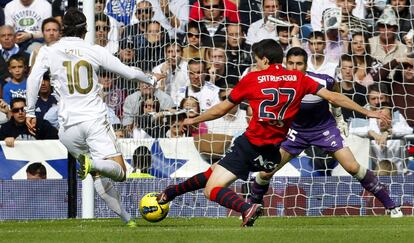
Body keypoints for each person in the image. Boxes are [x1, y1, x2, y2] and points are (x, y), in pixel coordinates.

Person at [156, 39, 391, 227]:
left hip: (251, 143)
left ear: (265, 59)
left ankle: (246, 207)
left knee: (212, 190)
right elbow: (334, 97)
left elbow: (221, 109)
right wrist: (366, 112)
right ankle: (171, 193)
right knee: (214, 172)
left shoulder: (252, 79)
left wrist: (194, 119)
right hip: (273, 151)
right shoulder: (299, 78)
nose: (256, 64)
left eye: (257, 60)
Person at [25, 8, 157, 227]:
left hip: (67, 128)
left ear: (61, 29)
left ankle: (128, 221)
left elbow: (33, 80)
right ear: (86, 29)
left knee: (97, 175)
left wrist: (30, 111)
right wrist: (151, 79)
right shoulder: (94, 49)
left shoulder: (48, 51)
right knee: (120, 173)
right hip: (94, 121)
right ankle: (93, 162)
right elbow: (130, 73)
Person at [247, 47, 403, 218]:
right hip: (295, 132)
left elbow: (335, 93)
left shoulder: (322, 81)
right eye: (290, 63)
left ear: (306, 66)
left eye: (299, 64)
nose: (294, 67)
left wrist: (339, 118)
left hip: (323, 129)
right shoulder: (277, 83)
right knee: (266, 172)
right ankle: (253, 205)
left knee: (352, 167)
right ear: (285, 64)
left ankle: (391, 206)